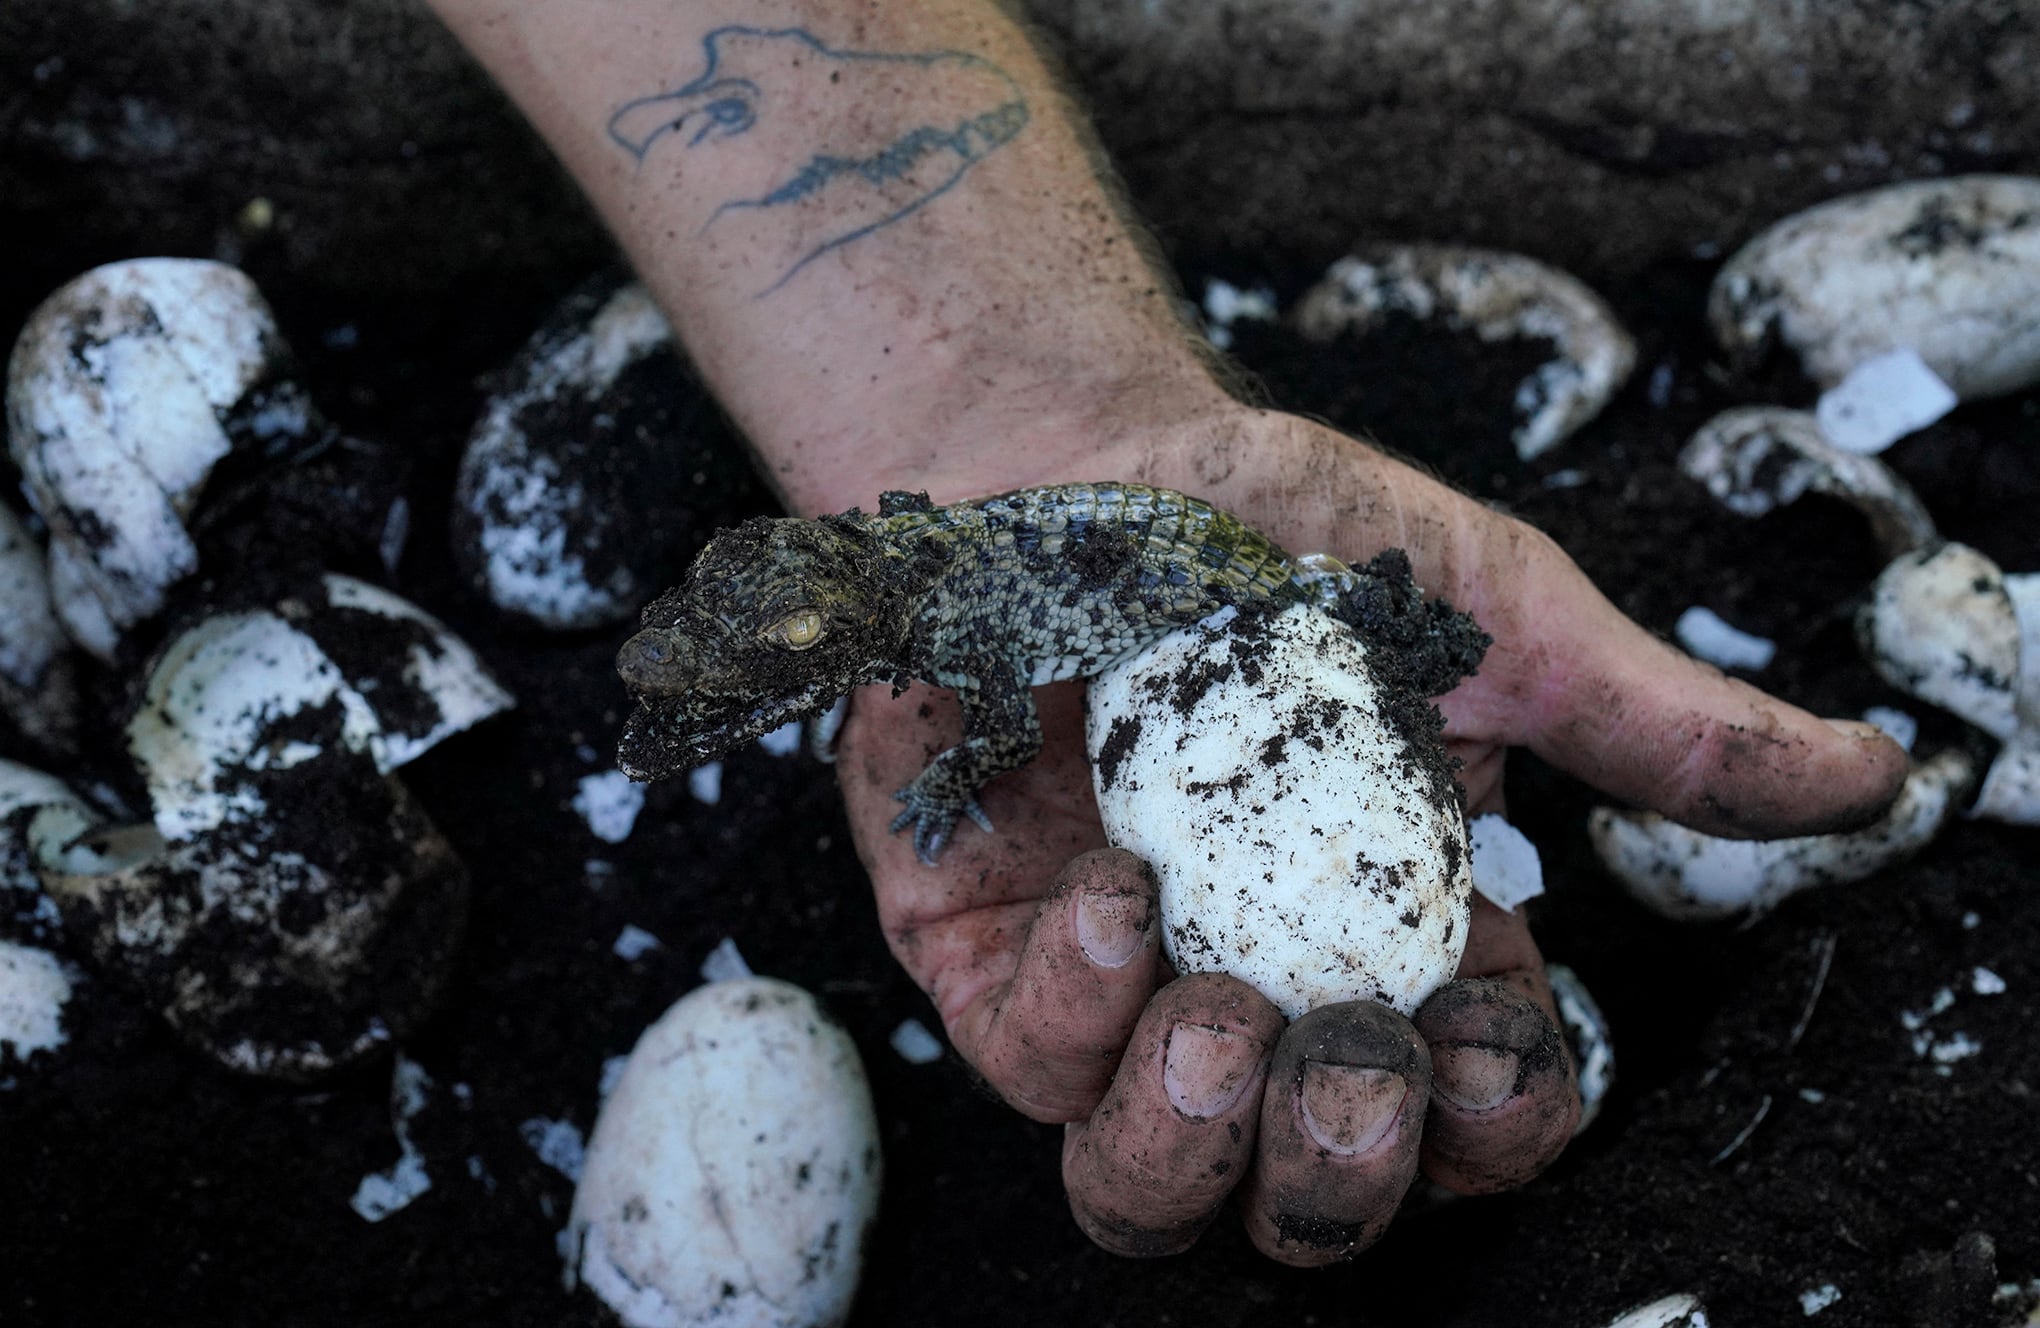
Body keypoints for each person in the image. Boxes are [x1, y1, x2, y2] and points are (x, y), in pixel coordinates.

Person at [422, 0, 1908, 1265]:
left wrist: (972, 767)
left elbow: (1002, 716)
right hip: (1188, 594)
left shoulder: (942, 619)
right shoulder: (915, 566)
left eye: (759, 660)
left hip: (1211, 601)